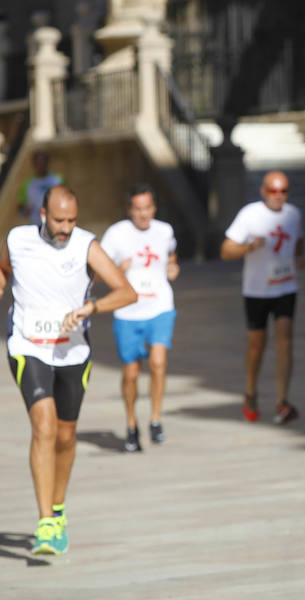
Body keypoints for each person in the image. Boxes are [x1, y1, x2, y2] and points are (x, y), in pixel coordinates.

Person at [1, 185, 136, 554]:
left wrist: (90, 309)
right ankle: (45, 523)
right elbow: (3, 272)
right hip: (28, 346)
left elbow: (127, 292)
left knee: (65, 435)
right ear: (42, 214)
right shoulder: (17, 239)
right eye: (59, 220)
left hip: (73, 353)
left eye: (72, 221)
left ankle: (58, 508)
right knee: (43, 426)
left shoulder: (86, 246)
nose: (66, 228)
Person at [100, 183, 179, 452]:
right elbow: (96, 271)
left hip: (160, 305)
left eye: (147, 208)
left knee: (159, 362)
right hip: (128, 310)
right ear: (129, 210)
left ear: (154, 208)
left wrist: (172, 266)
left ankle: (155, 419)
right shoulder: (116, 234)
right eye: (138, 209)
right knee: (131, 374)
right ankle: (132, 424)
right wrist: (114, 270)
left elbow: (171, 252)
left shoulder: (164, 230)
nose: (143, 214)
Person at [221, 170, 304, 424]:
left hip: (285, 287)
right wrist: (248, 247)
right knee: (257, 344)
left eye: (283, 191)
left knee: (285, 340)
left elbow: (299, 242)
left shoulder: (293, 214)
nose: (278, 196)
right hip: (257, 290)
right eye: (273, 191)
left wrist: (299, 258)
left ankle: (282, 401)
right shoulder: (249, 214)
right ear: (263, 191)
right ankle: (250, 391)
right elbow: (226, 250)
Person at [18, 151, 64, 225]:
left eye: (43, 162)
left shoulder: (58, 180)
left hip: (56, 224)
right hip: (35, 225)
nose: (41, 165)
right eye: (38, 163)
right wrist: (24, 211)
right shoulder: (26, 184)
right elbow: (20, 207)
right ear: (33, 164)